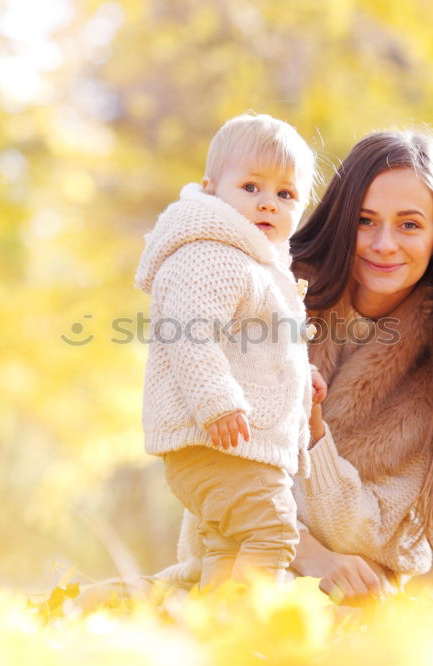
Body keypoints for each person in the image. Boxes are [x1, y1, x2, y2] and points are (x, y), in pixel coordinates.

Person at [163, 127, 433, 601]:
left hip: (357, 597)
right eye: (365, 220)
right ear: (341, 221)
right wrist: (309, 551)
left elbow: (376, 533)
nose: (383, 244)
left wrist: (313, 433)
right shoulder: (266, 297)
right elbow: (218, 470)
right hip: (233, 567)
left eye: (410, 225)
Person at [133, 112, 327, 589]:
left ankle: (218, 632)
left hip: (234, 445)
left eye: (285, 194)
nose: (267, 204)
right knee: (274, 533)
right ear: (212, 187)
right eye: (251, 187)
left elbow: (255, 348)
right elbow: (187, 332)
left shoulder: (256, 264)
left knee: (229, 551)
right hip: (217, 440)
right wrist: (216, 401)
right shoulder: (211, 252)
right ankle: (247, 639)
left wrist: (304, 380)